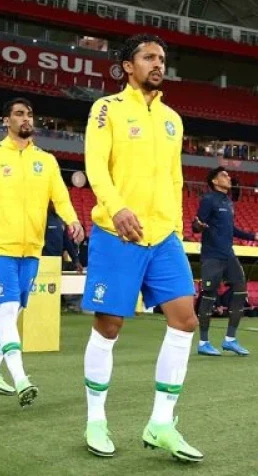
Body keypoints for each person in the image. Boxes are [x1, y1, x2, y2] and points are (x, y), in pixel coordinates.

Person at [81, 34, 202, 461]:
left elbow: (175, 176)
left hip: (162, 235)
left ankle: (162, 422)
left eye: (162, 58)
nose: (158, 64)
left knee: (185, 320)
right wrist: (115, 209)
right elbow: (95, 164)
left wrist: (175, 224)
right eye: (149, 57)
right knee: (110, 325)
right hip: (118, 233)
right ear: (126, 67)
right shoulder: (106, 110)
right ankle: (96, 419)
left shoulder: (172, 118)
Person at [0, 97, 83, 407]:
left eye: (30, 114)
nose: (26, 118)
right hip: (0, 246)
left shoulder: (47, 161)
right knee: (9, 311)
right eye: (19, 114)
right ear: (6, 121)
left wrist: (73, 220)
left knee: (11, 313)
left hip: (32, 250)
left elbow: (61, 198)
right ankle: (21, 377)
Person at [192, 167, 256, 356]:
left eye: (228, 175)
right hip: (212, 256)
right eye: (223, 175)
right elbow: (196, 225)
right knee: (209, 295)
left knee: (241, 290)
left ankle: (230, 339)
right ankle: (203, 342)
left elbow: (231, 229)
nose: (228, 178)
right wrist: (198, 225)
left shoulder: (228, 202)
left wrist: (253, 235)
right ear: (214, 181)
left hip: (228, 255)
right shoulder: (208, 200)